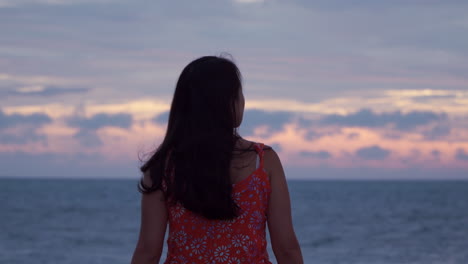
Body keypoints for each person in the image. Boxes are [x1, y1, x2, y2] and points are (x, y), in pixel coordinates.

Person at [131, 55, 303, 264]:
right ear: (228, 102)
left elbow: (148, 251)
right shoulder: (264, 162)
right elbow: (286, 248)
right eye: (239, 93)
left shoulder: (163, 168)